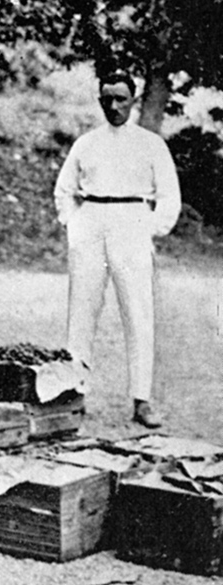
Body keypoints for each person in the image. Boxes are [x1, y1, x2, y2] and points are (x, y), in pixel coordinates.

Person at [53, 70, 181, 428]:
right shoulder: (87, 143)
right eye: (107, 99)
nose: (113, 106)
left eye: (120, 99)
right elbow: (64, 189)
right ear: (99, 100)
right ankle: (73, 394)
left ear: (133, 100)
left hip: (132, 221)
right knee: (82, 311)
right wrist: (73, 224)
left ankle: (141, 400)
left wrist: (149, 229)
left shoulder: (151, 144)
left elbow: (169, 195)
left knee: (138, 312)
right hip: (91, 220)